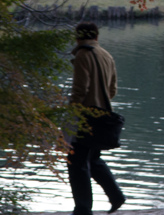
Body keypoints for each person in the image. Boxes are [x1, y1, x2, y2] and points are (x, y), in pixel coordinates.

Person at [68, 22, 125, 215]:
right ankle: (116, 196)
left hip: (86, 116)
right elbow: (113, 90)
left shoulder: (83, 55)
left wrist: (72, 112)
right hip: (104, 115)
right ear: (97, 36)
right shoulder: (106, 55)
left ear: (77, 37)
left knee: (76, 162)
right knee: (93, 157)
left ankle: (83, 209)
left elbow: (80, 89)